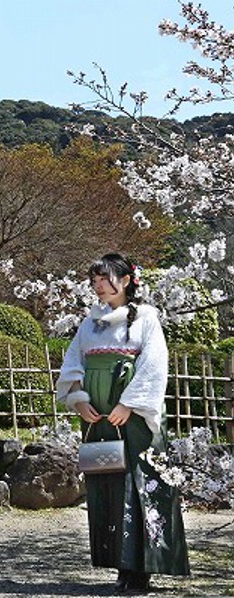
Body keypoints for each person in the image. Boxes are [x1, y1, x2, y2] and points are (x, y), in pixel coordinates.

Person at [56, 253, 189, 594]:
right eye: (95, 280)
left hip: (132, 417)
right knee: (108, 482)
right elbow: (73, 362)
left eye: (105, 278)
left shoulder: (145, 317)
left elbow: (155, 364)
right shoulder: (91, 321)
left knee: (140, 482)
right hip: (100, 415)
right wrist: (79, 399)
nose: (99, 285)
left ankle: (143, 567)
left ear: (126, 280)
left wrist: (129, 403)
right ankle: (120, 563)